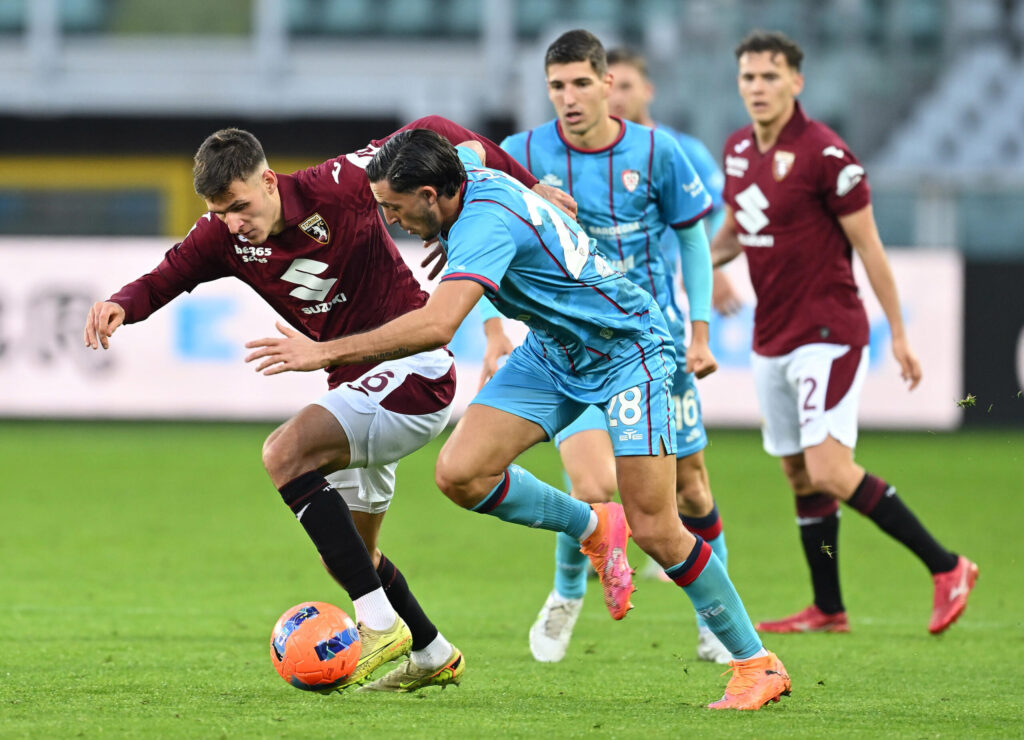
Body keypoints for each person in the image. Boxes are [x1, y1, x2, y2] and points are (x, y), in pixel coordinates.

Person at [244, 127, 792, 711]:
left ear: (432, 194)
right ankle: (592, 525)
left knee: (657, 527)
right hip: (556, 349)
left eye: (394, 208)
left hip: (628, 350)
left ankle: (757, 663)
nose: (390, 221)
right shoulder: (463, 174)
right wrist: (541, 191)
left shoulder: (484, 225)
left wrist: (322, 353)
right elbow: (469, 144)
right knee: (461, 472)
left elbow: (434, 326)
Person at [82, 116, 574, 694]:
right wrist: (121, 304)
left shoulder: (339, 183)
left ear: (268, 181)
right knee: (352, 555)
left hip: (415, 372)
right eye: (220, 213)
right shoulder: (224, 236)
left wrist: (528, 185)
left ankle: (377, 624)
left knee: (284, 453)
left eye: (239, 205)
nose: (232, 222)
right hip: (356, 388)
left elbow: (435, 128)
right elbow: (168, 276)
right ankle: (433, 651)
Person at [710, 30, 978, 635]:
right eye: (749, 77)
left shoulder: (826, 155)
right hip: (771, 334)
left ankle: (948, 566)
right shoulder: (737, 150)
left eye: (770, 76)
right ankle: (828, 608)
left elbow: (871, 247)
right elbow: (734, 232)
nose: (758, 87)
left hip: (827, 332)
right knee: (800, 475)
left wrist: (901, 335)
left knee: (830, 469)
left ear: (796, 82)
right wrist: (701, 266)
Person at [487, 30, 730, 665]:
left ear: (608, 85)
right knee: (594, 485)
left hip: (651, 346)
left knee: (693, 491)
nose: (568, 98)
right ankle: (568, 590)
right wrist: (492, 333)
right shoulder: (522, 153)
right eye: (556, 87)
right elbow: (485, 238)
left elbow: (695, 242)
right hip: (567, 348)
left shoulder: (659, 153)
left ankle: (713, 618)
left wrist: (699, 332)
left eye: (580, 84)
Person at [605, 46, 742, 317]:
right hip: (604, 302)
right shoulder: (582, 159)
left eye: (626, 87)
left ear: (648, 90)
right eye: (609, 88)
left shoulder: (682, 150)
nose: (617, 98)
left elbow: (723, 210)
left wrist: (711, 266)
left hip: (667, 302)